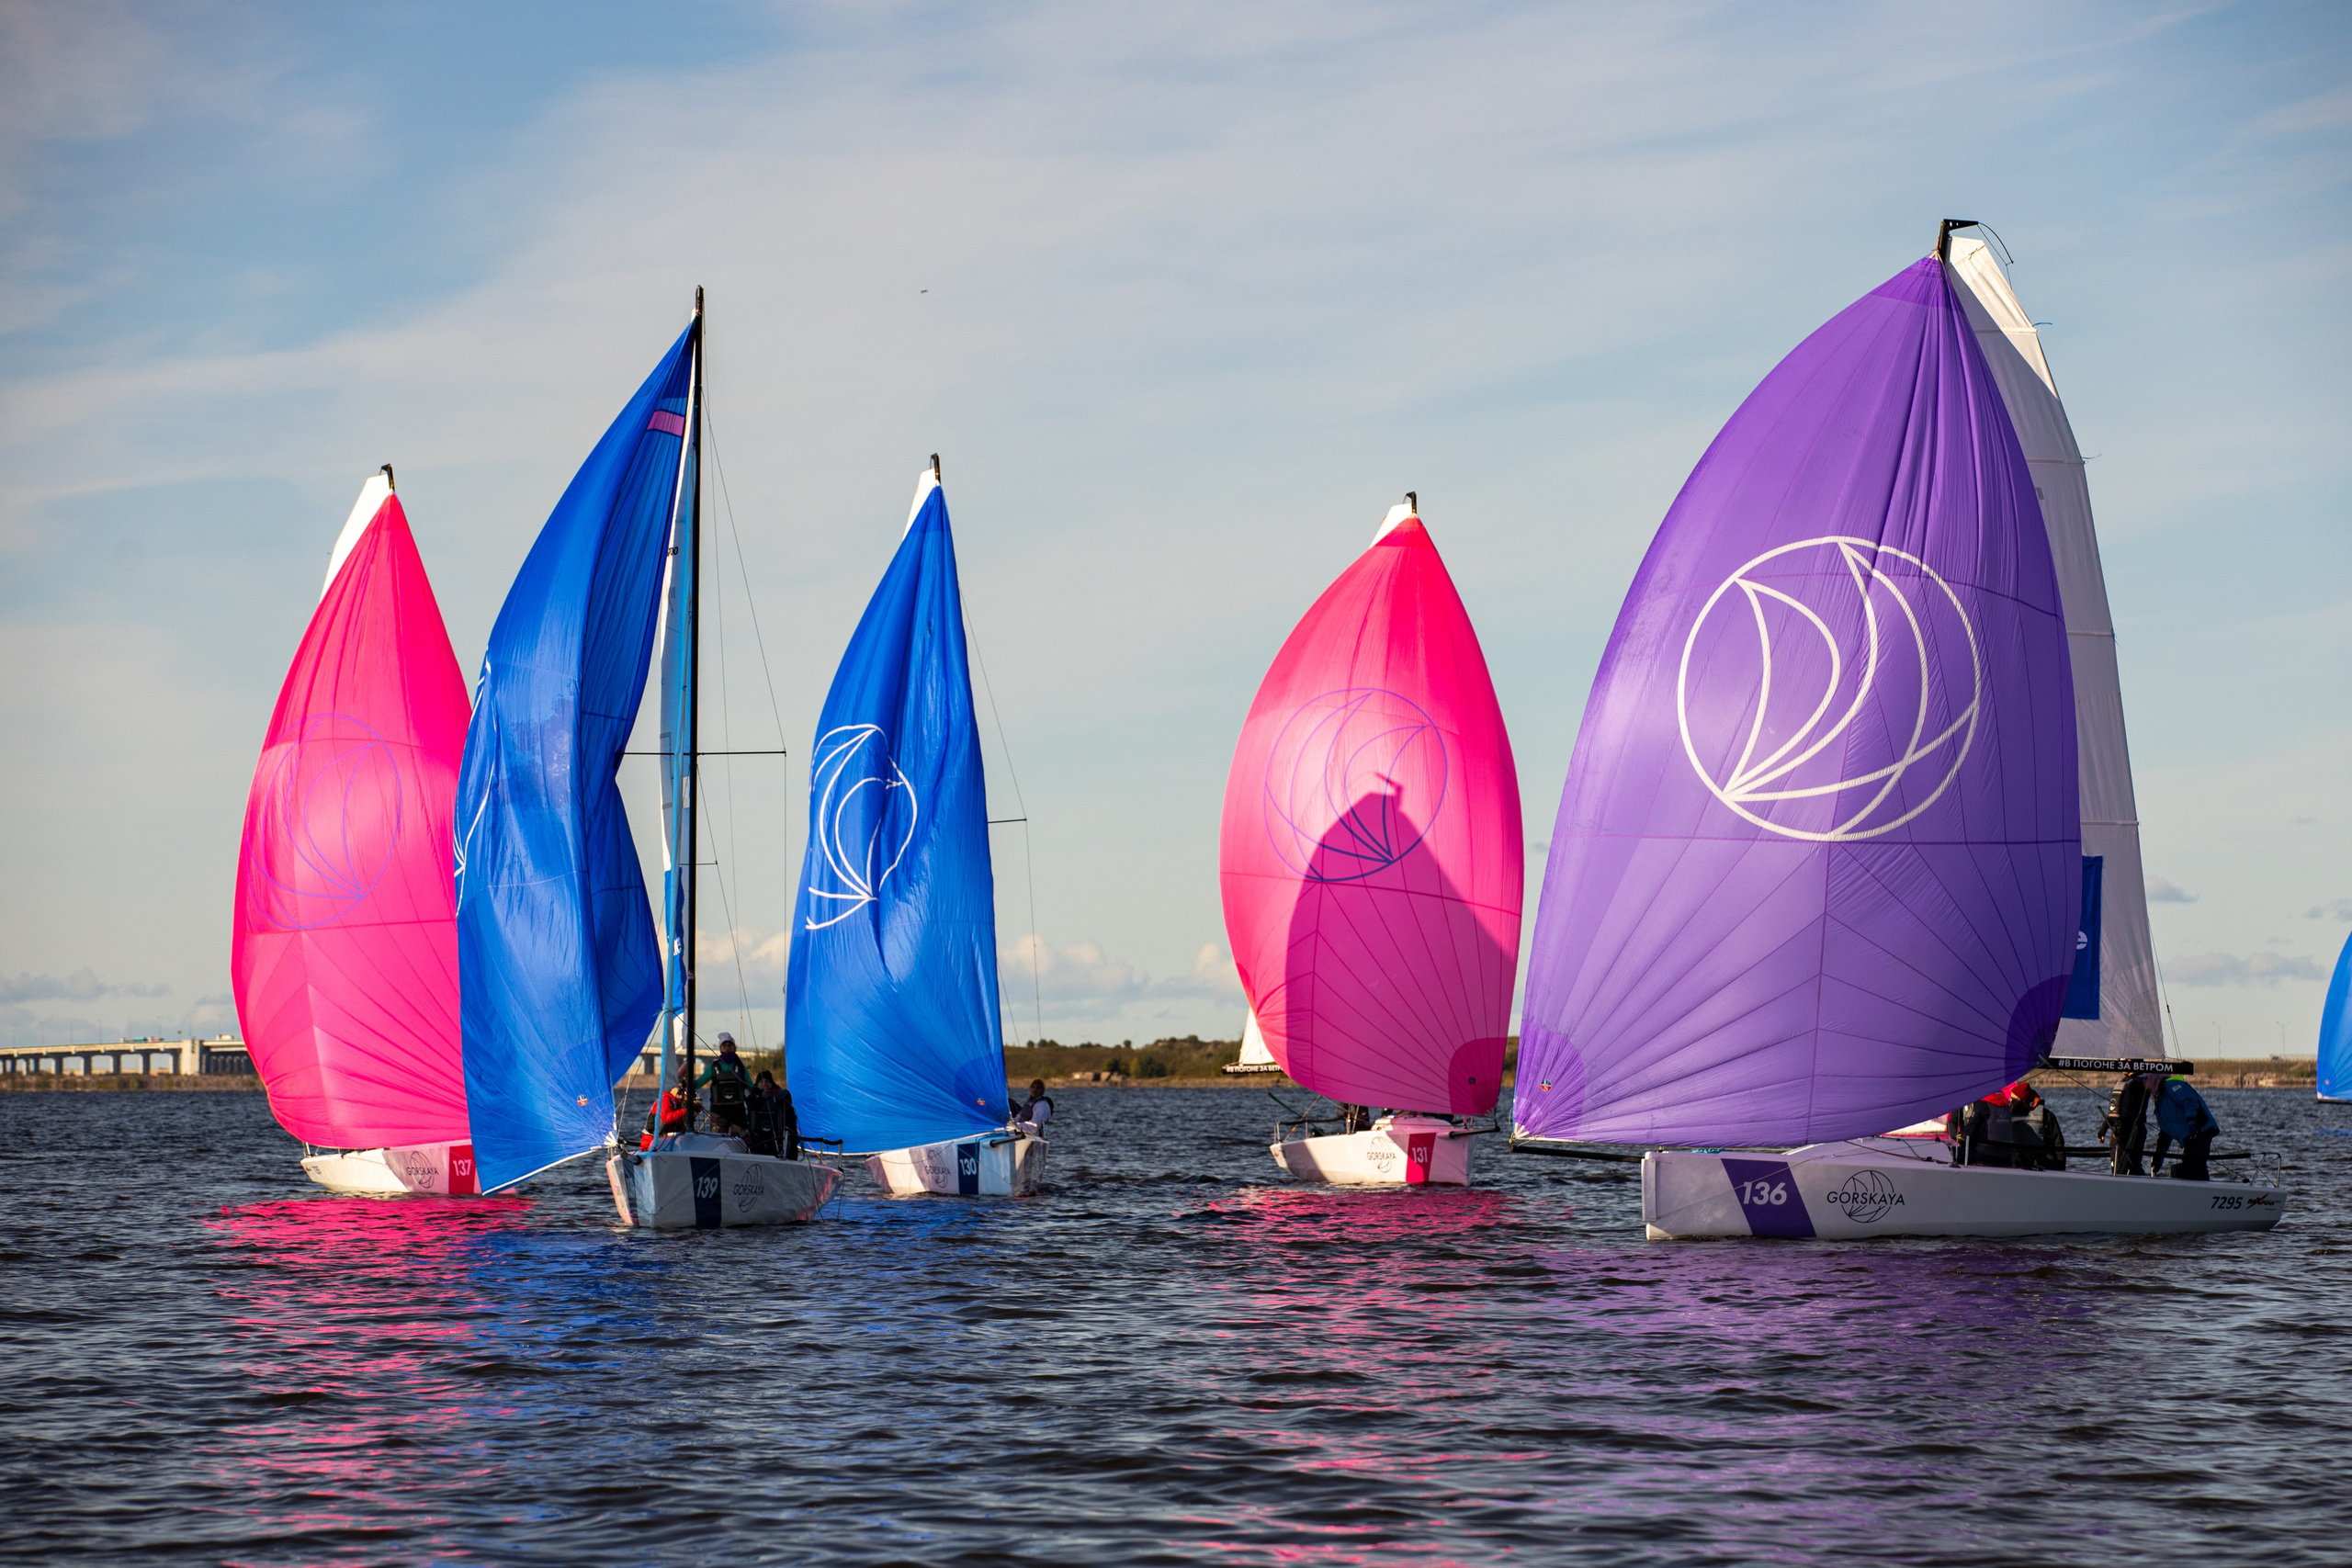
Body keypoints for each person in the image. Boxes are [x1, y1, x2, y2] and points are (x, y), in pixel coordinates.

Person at [2148, 1071, 2220, 1181]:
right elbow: (2165, 1133)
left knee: (2195, 1166)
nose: (2144, 1083)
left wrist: (2192, 1123)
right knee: (2188, 1166)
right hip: (2189, 1139)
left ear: (2153, 1079)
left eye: (2145, 1079)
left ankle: (2204, 1190)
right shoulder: (2159, 1101)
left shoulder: (2172, 1085)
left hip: (2201, 1131)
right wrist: (2158, 1157)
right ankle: (2189, 1188)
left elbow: (2189, 1100)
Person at [695, 1032, 755, 1137]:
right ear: (720, 1048)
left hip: (737, 1110)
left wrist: (760, 1094)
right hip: (718, 1112)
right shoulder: (714, 1066)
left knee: (742, 1138)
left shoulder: (740, 1067)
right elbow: (700, 1082)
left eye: (730, 1045)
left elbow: (750, 1086)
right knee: (717, 1139)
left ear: (734, 1048)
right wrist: (687, 1085)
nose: (727, 1048)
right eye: (724, 1045)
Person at [2007, 1080, 2065, 1171]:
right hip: (2018, 1161)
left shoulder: (2046, 1115)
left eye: (2013, 1099)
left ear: (2023, 1101)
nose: (2010, 1101)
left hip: (2042, 1163)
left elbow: (2058, 1142)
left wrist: (2061, 1166)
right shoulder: (2008, 1115)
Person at [2098, 1072, 2150, 1176]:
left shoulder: (2129, 1084)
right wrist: (2105, 1130)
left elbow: (2119, 1113)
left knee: (2123, 1169)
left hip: (2122, 1134)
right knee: (2128, 1168)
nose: (2146, 1081)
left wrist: (2107, 1130)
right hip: (2125, 1134)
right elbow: (2121, 1112)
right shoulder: (2132, 1085)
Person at [1945, 1092, 2015, 1167]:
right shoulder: (2007, 1107)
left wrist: (1961, 1138)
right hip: (2006, 1156)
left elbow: (1969, 1132)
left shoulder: (1982, 1105)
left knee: (1948, 1152)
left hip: (1983, 1154)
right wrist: (1958, 1135)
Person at [746, 1070, 800, 1160]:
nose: (764, 1084)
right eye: (761, 1081)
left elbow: (789, 1114)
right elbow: (751, 1106)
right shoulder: (752, 1097)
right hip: (757, 1139)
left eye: (767, 1081)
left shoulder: (779, 1096)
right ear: (757, 1084)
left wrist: (781, 1096)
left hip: (777, 1139)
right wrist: (763, 1096)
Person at [640, 1081, 692, 1149]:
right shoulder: (665, 1099)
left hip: (666, 1142)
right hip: (651, 1142)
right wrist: (686, 1111)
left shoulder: (677, 1104)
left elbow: (679, 1125)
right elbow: (666, 1118)